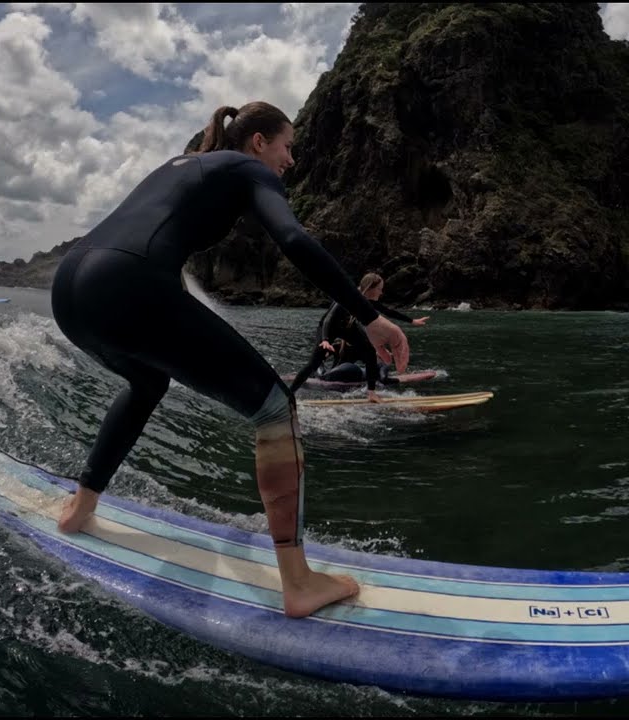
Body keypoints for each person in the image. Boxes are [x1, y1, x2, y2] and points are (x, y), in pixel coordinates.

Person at [49, 101, 410, 619]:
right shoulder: (245, 168)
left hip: (70, 286)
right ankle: (299, 583)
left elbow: (150, 239)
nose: (291, 160)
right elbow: (293, 238)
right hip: (125, 282)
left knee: (148, 383)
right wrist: (369, 316)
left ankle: (79, 508)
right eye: (287, 146)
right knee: (277, 408)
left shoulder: (185, 165)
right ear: (259, 141)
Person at [288, 273, 429, 401]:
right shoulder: (348, 295)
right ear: (370, 288)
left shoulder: (368, 301)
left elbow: (388, 311)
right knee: (314, 362)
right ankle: (289, 394)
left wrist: (412, 321)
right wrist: (325, 340)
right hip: (329, 328)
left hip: (349, 327)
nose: (381, 292)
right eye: (379, 289)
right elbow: (328, 319)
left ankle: (371, 393)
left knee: (369, 351)